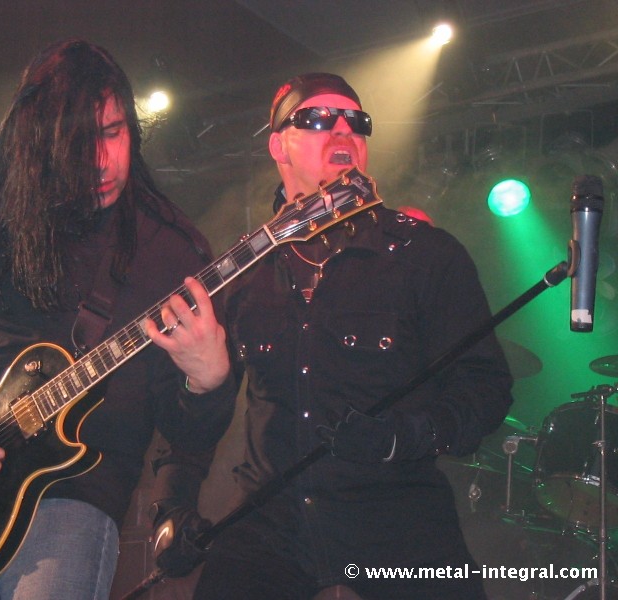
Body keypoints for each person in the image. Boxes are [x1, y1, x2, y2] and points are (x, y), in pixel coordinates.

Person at [0, 39, 235, 600]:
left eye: (113, 132)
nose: (101, 161)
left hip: (72, 502)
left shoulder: (171, 251)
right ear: (37, 143)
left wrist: (208, 381)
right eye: (78, 144)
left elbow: (185, 439)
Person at [190, 73, 514, 599]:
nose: (343, 130)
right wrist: (172, 498)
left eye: (357, 122)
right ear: (278, 146)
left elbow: (486, 387)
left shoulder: (427, 255)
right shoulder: (243, 273)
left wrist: (402, 437)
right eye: (318, 118)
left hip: (397, 521)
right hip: (269, 527)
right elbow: (195, 420)